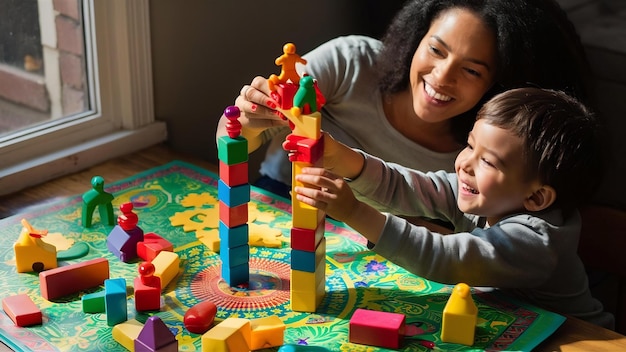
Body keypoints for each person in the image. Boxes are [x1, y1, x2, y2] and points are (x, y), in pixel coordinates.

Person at [290, 87, 612, 327]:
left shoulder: (537, 242)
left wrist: (354, 212)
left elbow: (445, 258)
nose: (465, 165)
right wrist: (342, 158)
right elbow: (405, 187)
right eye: (470, 145)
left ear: (536, 198)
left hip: (575, 339)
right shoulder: (483, 194)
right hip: (508, 325)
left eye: (487, 161)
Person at [216, 0, 593, 201]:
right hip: (280, 204)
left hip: (375, 251)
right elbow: (231, 144)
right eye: (436, 49)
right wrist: (247, 122)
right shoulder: (349, 61)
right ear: (416, 36)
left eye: (472, 71)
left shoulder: (482, 150)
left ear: (498, 86)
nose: (441, 77)